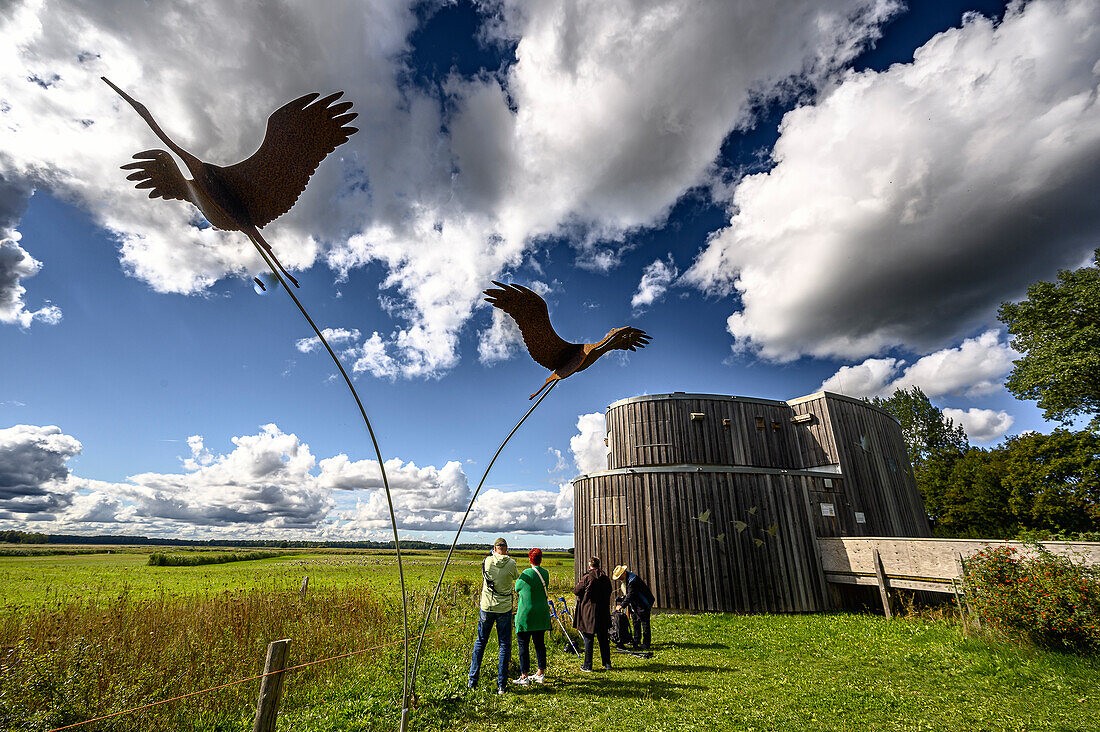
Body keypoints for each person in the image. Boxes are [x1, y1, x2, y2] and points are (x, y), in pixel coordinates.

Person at [468, 537, 519, 694]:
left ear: (495, 548)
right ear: (506, 548)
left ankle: (472, 681)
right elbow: (516, 576)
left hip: (487, 606)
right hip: (504, 608)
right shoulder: (511, 563)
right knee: (504, 644)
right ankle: (501, 685)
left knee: (480, 642)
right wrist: (507, 557)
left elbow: (487, 565)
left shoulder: (487, 561)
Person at [513, 548, 551, 686]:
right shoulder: (545, 573)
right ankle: (540, 673)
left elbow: (517, 588)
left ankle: (524, 676)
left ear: (530, 559)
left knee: (523, 645)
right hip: (541, 614)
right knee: (540, 644)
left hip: (526, 615)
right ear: (541, 559)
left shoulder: (525, 574)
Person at [573, 555, 612, 671]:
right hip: (603, 611)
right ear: (599, 565)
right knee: (604, 639)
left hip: (589, 612)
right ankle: (607, 663)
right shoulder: (605, 577)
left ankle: (587, 665)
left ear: (590, 565)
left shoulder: (587, 577)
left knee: (588, 638)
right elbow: (609, 591)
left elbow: (576, 590)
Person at [613, 564, 655, 650]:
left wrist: (621, 605)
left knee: (645, 623)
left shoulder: (633, 581)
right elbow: (629, 594)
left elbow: (631, 594)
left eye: (620, 577)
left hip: (643, 603)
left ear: (624, 573)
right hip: (636, 603)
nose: (619, 579)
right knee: (636, 621)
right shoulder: (628, 579)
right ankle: (636, 641)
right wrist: (622, 599)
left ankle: (646, 644)